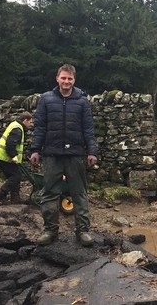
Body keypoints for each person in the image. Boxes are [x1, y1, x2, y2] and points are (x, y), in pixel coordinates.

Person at [29, 64, 98, 247]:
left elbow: (88, 129)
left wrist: (91, 151)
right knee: (50, 193)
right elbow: (40, 127)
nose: (66, 82)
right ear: (57, 78)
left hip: (75, 154)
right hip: (52, 154)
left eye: (70, 79)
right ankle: (50, 230)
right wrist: (35, 149)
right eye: (63, 78)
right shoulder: (46, 99)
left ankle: (82, 231)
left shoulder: (82, 101)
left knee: (79, 193)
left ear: (74, 80)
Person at [0, 112, 34, 204]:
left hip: (1, 156)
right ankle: (1, 193)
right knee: (16, 176)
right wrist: (13, 156)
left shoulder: (16, 125)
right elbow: (10, 144)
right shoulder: (17, 129)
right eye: (30, 122)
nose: (31, 124)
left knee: (15, 176)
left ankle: (15, 198)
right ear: (25, 120)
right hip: (4, 157)